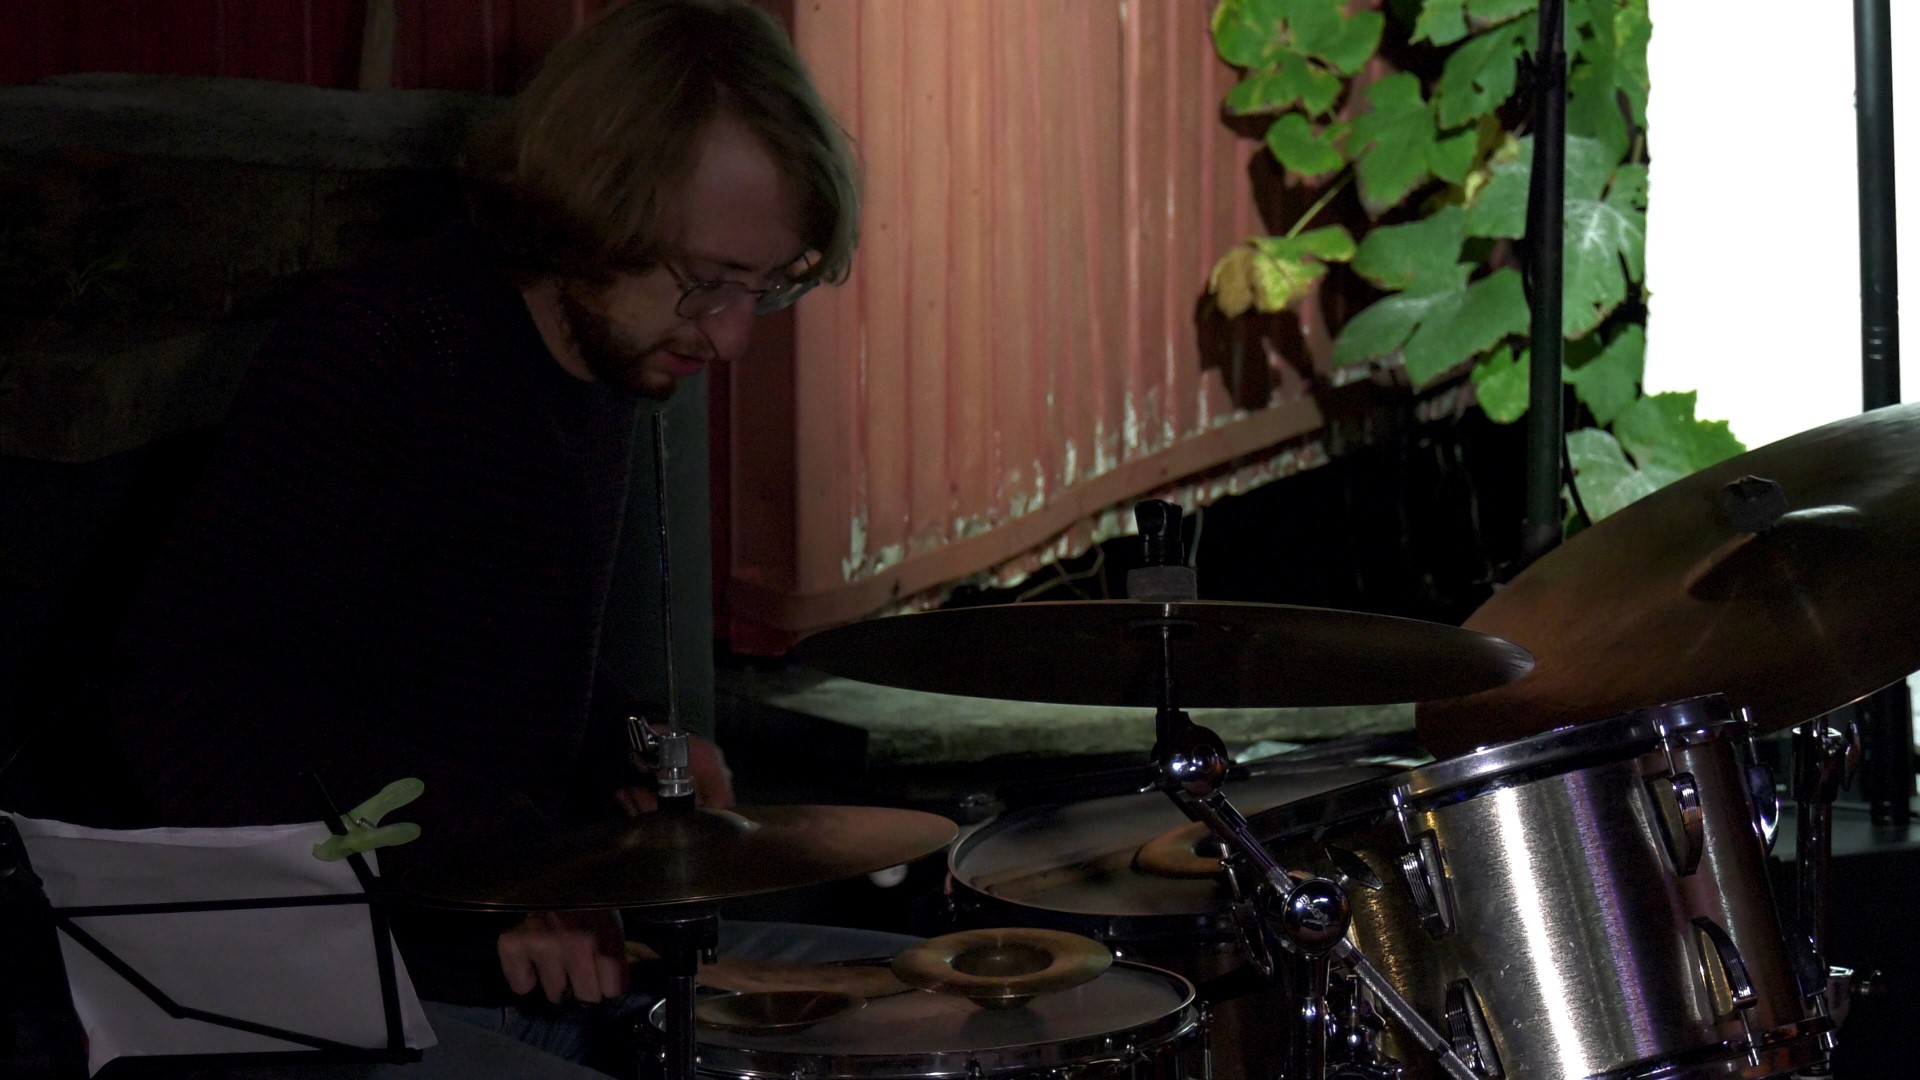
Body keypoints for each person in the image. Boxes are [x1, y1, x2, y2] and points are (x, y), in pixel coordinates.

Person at [99, 1, 905, 1075]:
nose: (731, 337)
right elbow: (187, 699)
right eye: (707, 281)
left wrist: (632, 746)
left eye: (768, 286)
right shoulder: (384, 348)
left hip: (529, 954)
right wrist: (504, 863)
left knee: (928, 1004)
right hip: (354, 986)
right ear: (593, 210)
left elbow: (460, 667)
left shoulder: (602, 356)